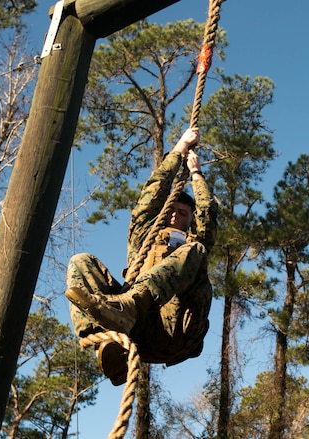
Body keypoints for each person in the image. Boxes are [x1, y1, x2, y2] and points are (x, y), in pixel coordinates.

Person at [65, 127, 218, 385]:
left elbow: (207, 217)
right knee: (80, 263)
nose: (175, 216)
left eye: (183, 213)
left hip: (176, 331)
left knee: (196, 251)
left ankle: (131, 306)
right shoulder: (144, 238)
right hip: (136, 332)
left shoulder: (194, 242)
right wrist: (178, 149)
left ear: (190, 219)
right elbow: (150, 198)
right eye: (172, 210)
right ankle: (107, 345)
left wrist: (196, 174)